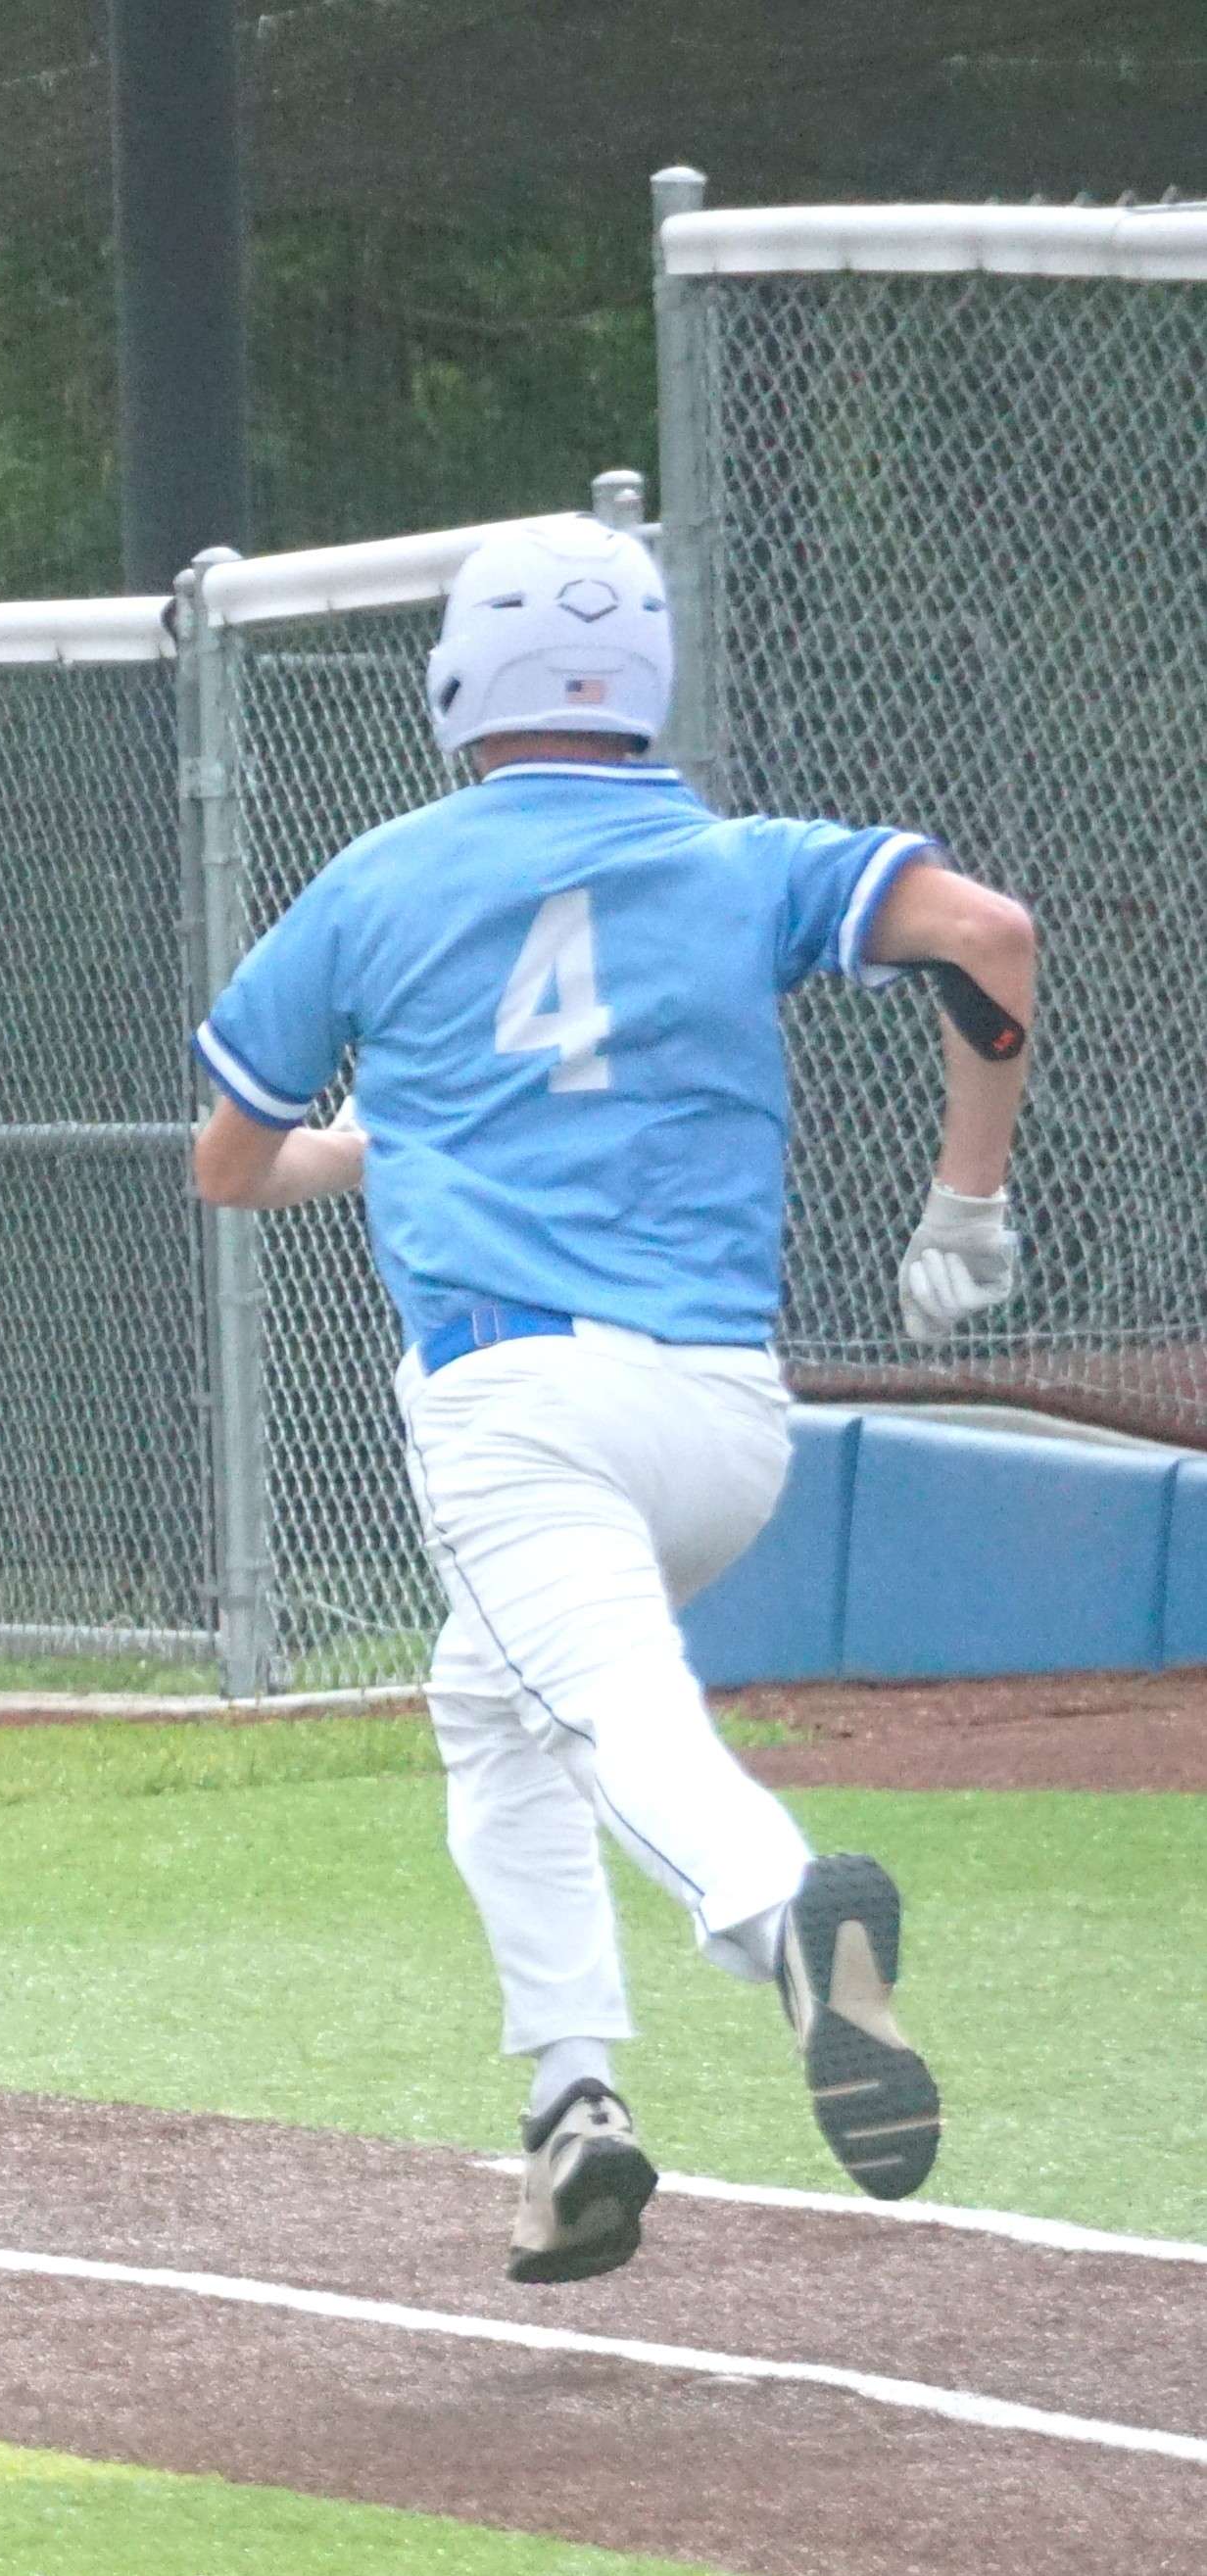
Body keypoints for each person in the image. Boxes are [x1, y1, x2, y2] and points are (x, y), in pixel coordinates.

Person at [186, 515, 1037, 2285]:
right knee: (492, 1708)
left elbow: (229, 1165)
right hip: (728, 1424)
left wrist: (389, 1141)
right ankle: (574, 2105)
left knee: (608, 1715)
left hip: (517, 1403)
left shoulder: (377, 879)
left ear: (458, 683)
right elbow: (993, 937)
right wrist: (968, 1199)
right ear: (641, 681)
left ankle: (776, 1909)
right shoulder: (741, 860)